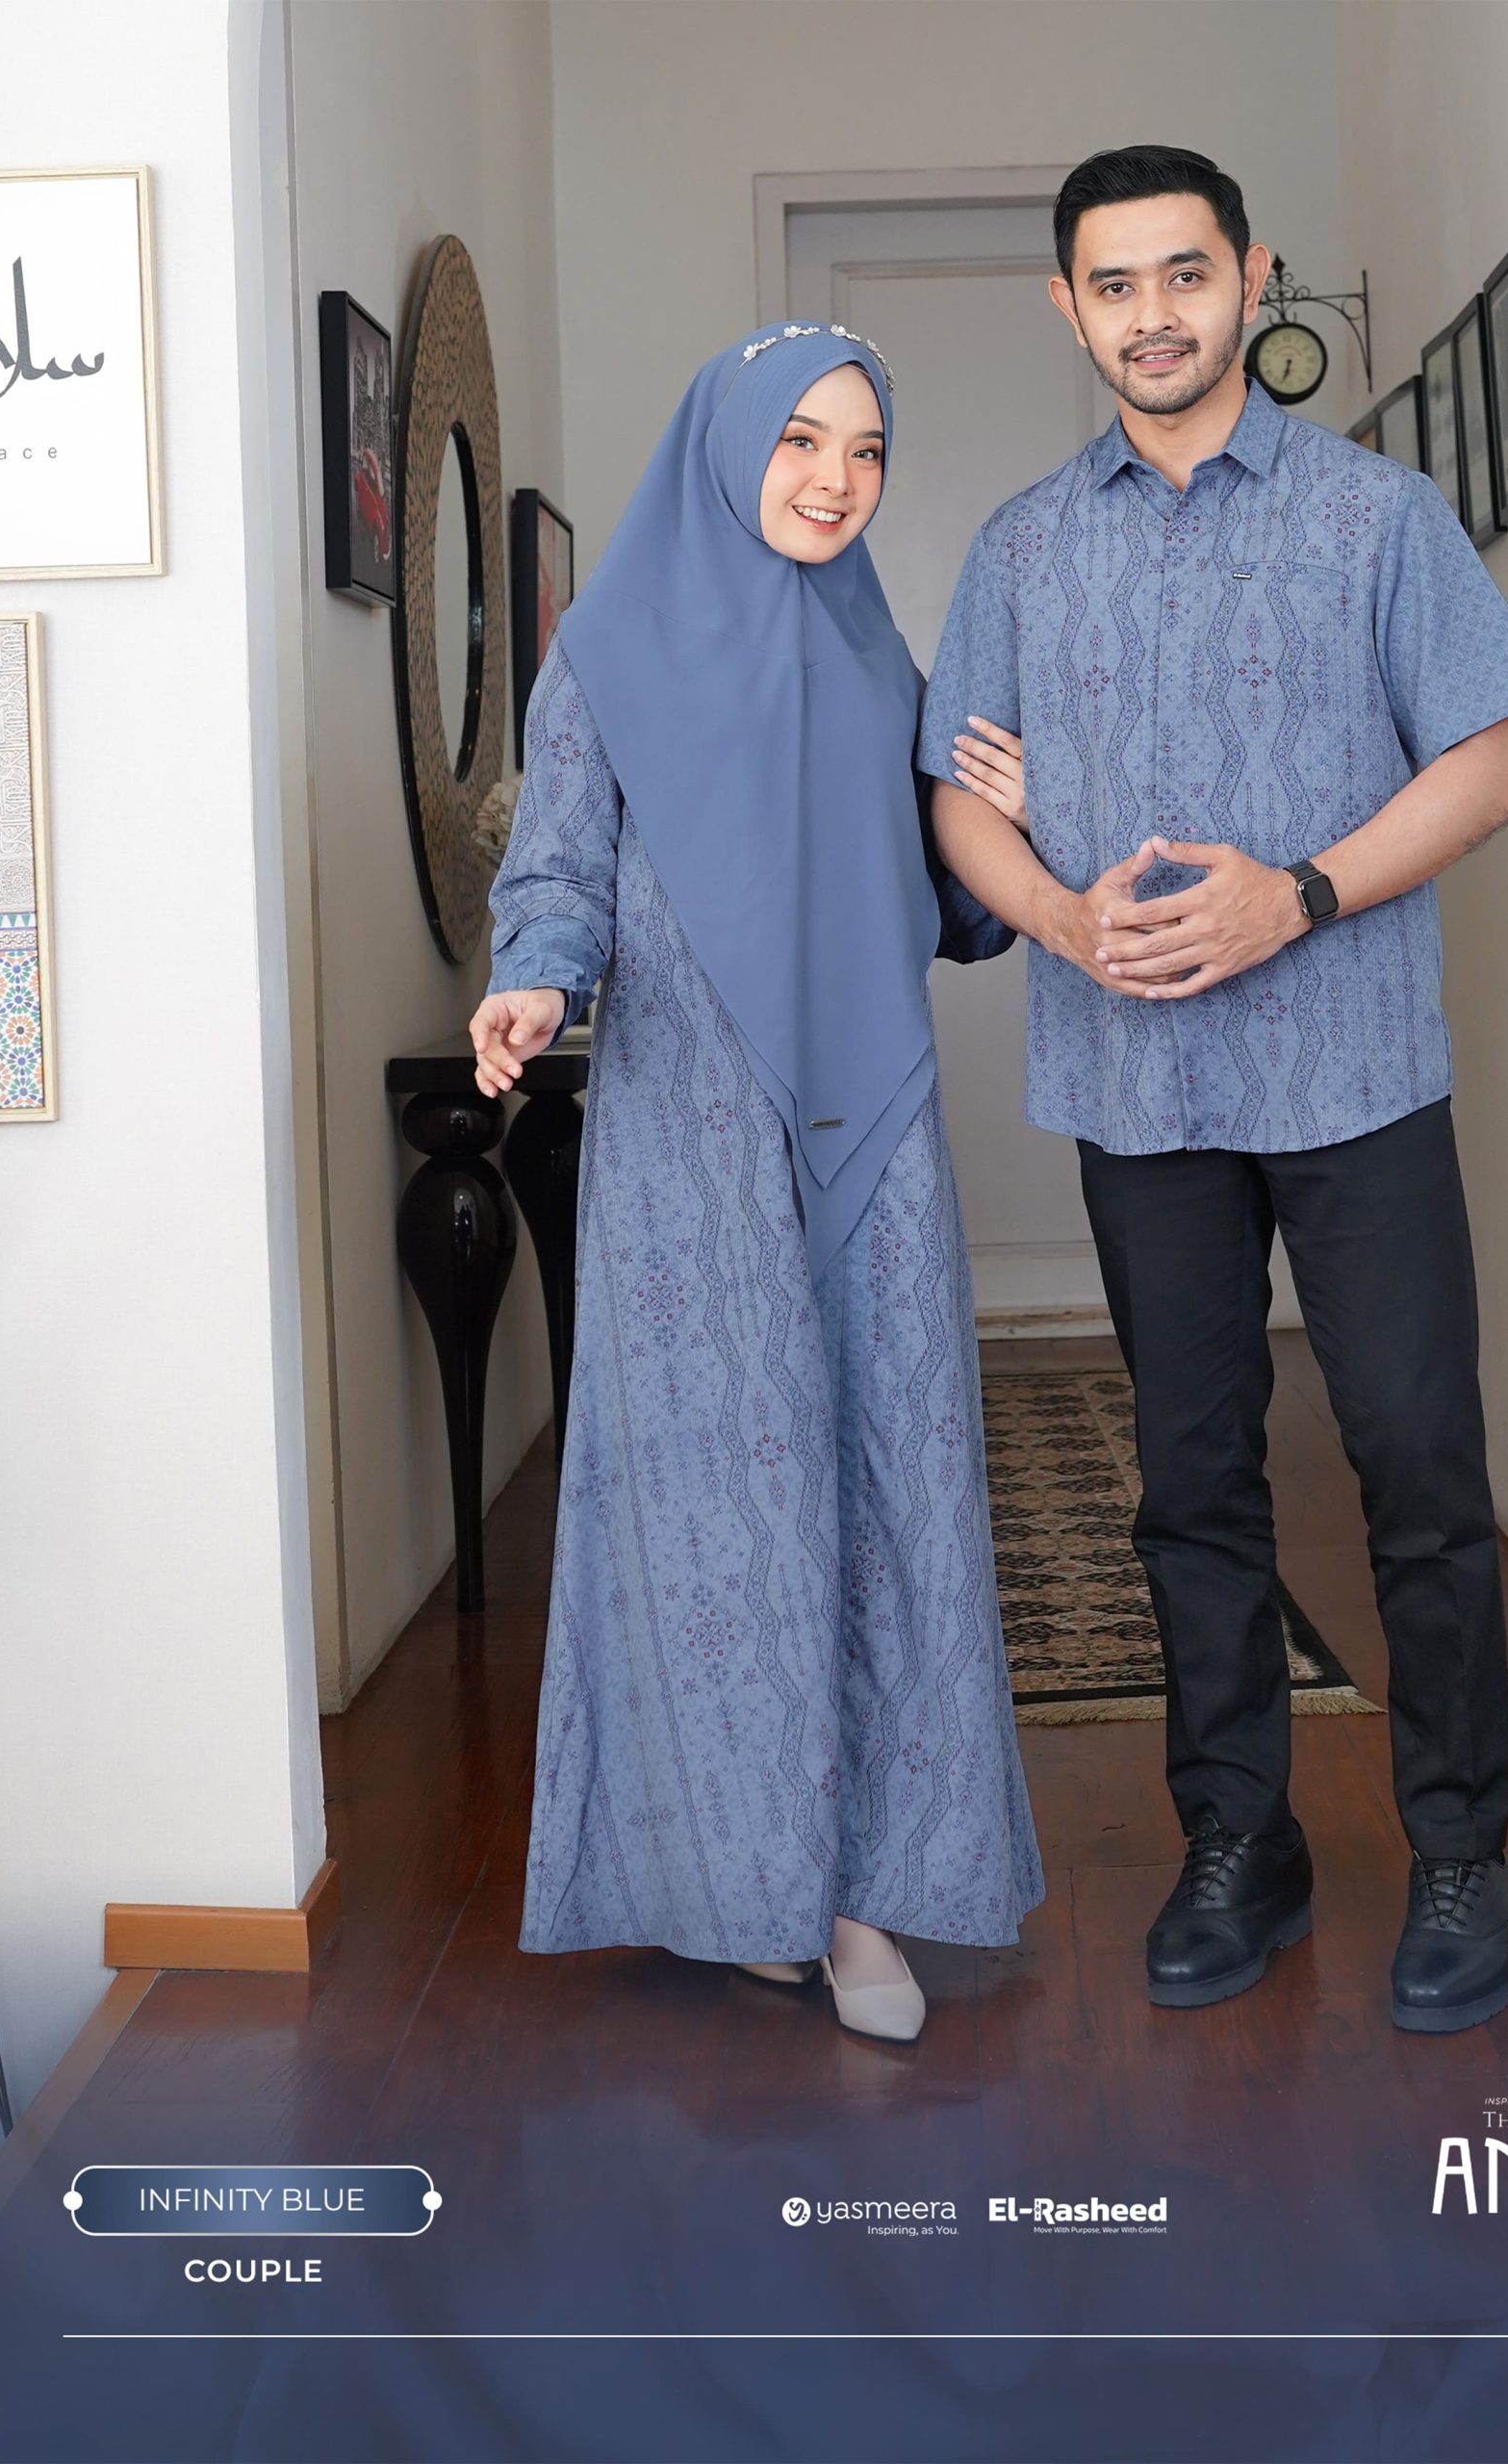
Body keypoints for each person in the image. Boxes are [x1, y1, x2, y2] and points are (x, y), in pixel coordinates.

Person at [922, 146, 1508, 2034]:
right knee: (1190, 1483)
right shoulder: (1020, 549)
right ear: (1068, 308)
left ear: (1251, 277)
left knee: (1417, 1467)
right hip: (1140, 1091)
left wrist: (1302, 896)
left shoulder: (1377, 516)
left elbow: (1494, 757)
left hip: (1356, 1074)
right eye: (1114, 285)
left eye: (1185, 274)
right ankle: (1239, 1844)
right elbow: (959, 794)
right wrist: (1055, 913)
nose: (1154, 314)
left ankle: (1460, 1853)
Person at [470, 321, 1045, 2043]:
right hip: (688, 1123)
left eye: (867, 452)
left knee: (889, 1483)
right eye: (802, 440)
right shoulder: (607, 650)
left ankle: (864, 1900)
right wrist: (534, 984)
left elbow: (941, 908)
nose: (836, 480)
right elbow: (560, 866)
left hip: (869, 1121)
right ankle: (745, 1888)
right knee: (719, 1506)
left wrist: (1004, 826)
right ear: (729, 445)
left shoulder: (877, 655)